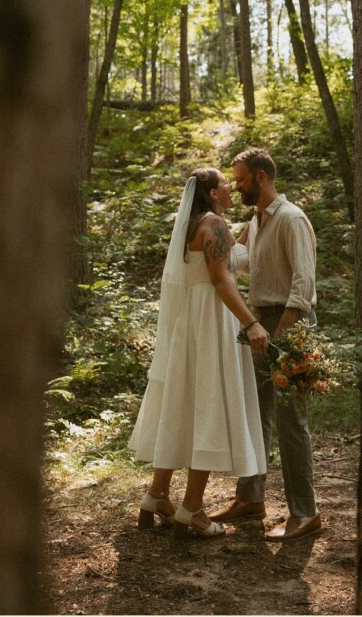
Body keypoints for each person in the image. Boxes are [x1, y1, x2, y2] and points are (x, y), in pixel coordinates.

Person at [128, 167, 269, 539]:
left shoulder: (192, 225)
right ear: (210, 193)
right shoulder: (215, 227)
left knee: (183, 403)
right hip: (213, 321)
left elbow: (223, 258)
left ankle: (156, 495)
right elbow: (222, 279)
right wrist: (251, 322)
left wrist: (252, 229)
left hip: (188, 322)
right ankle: (191, 508)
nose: (229, 186)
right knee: (207, 403)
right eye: (223, 182)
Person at [210, 148, 321, 541]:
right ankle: (251, 499)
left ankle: (305, 514)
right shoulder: (256, 222)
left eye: (239, 179)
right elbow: (236, 261)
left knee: (292, 421)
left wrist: (279, 338)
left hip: (289, 325)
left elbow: (303, 286)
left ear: (259, 177)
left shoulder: (291, 219)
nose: (235, 185)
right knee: (255, 415)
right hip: (259, 322)